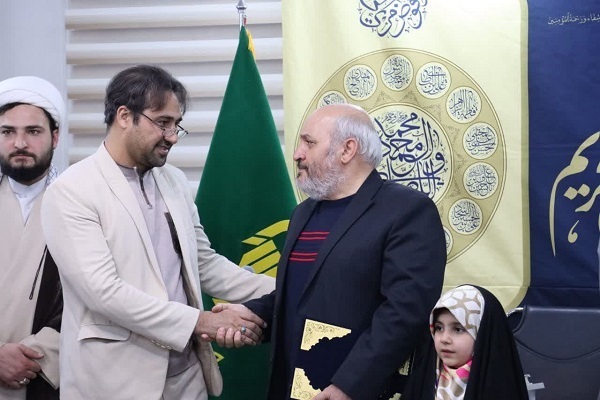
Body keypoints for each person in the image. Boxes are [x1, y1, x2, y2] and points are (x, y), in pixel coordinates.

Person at [40, 65, 273, 400]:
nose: (173, 136)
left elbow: (204, 264)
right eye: (163, 122)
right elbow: (103, 292)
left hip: (188, 376)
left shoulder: (173, 180)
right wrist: (199, 322)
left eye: (177, 125)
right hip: (115, 384)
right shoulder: (71, 191)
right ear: (124, 116)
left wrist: (289, 290)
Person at [213, 104, 447, 399]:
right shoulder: (303, 213)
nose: (297, 154)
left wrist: (349, 386)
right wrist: (252, 314)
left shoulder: (407, 211)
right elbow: (303, 295)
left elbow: (404, 312)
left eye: (309, 143)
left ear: (347, 149)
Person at [0, 76, 65, 400]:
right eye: (7, 132)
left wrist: (37, 352)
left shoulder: (80, 205)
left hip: (48, 376)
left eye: (33, 131)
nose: (19, 143)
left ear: (55, 136)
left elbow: (96, 299)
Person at [402, 284, 529, 400]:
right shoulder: (420, 383)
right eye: (439, 328)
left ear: (482, 333)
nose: (444, 339)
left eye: (458, 329)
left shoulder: (502, 390)